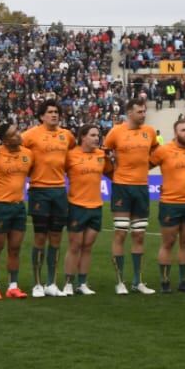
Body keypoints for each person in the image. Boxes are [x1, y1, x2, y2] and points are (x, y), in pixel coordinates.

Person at [103, 97, 160, 294]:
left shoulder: (150, 132)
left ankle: (138, 281)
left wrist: (148, 166)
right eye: (140, 112)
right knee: (120, 233)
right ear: (129, 113)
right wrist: (112, 173)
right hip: (121, 187)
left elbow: (157, 153)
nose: (143, 115)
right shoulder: (115, 132)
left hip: (142, 187)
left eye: (144, 111)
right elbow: (103, 154)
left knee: (139, 235)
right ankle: (120, 282)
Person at [21, 100, 74, 297]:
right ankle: (37, 284)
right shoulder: (30, 135)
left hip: (60, 191)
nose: (54, 115)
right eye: (50, 112)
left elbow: (74, 153)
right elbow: (16, 150)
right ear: (41, 116)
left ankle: (51, 283)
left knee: (56, 238)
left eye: (56, 112)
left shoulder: (66, 135)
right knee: (40, 237)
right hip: (39, 191)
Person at [150, 118, 185, 293]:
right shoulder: (163, 151)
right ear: (175, 133)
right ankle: (165, 282)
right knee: (168, 243)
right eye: (183, 130)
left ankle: (184, 282)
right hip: (170, 204)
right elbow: (146, 165)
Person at [0, 123, 34, 300]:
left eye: (17, 131)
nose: (18, 135)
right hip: (0, 206)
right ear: (4, 140)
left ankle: (13, 286)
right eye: (13, 134)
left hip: (19, 206)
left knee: (15, 248)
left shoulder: (27, 154)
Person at [64, 125, 111, 295]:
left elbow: (112, 172)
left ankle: (82, 283)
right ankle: (68, 282)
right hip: (76, 206)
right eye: (92, 135)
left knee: (88, 246)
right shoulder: (70, 155)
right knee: (75, 246)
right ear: (83, 137)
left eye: (97, 135)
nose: (96, 138)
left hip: (96, 206)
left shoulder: (101, 155)